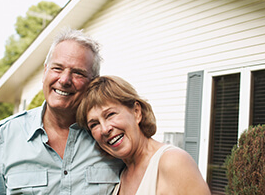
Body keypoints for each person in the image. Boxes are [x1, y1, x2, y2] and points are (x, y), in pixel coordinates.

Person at [0, 29, 123, 195]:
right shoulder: (6, 135)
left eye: (78, 73)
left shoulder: (110, 137)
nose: (64, 80)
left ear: (93, 82)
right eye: (57, 68)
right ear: (45, 72)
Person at [77, 76, 211, 195]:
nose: (105, 129)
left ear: (136, 112)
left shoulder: (172, 162)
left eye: (110, 114)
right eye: (94, 124)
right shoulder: (120, 175)